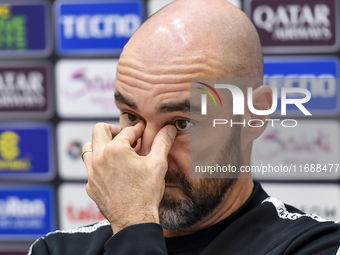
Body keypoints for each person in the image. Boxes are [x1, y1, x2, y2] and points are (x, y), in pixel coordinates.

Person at [29, 0, 340, 254]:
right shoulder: (58, 250)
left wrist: (135, 226)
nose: (150, 157)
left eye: (182, 123)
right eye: (132, 117)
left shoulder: (313, 247)